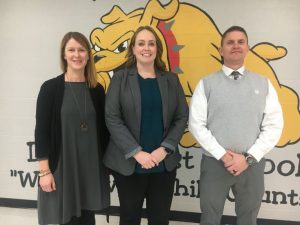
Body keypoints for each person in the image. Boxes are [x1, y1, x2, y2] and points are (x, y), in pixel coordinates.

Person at [189, 26, 284, 225]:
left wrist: (247, 158)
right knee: (209, 218)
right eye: (230, 42)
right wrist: (223, 156)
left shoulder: (263, 84)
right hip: (215, 163)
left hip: (251, 165)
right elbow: (196, 125)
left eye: (241, 42)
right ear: (221, 50)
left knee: (248, 218)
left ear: (247, 48)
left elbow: (274, 125)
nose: (236, 46)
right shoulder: (206, 84)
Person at [103, 26, 188, 225]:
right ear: (133, 48)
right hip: (130, 166)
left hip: (162, 165)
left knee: (160, 220)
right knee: (130, 219)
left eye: (151, 43)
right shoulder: (120, 79)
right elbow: (112, 118)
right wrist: (136, 152)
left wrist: (165, 148)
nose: (146, 48)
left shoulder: (171, 79)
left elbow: (182, 115)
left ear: (157, 48)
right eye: (141, 43)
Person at [35, 32, 110, 225]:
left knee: (87, 219)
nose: (77, 55)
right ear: (64, 55)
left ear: (88, 55)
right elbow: (41, 132)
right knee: (66, 219)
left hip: (90, 168)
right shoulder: (50, 88)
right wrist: (44, 172)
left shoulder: (97, 89)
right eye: (71, 50)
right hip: (63, 166)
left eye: (81, 50)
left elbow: (105, 130)